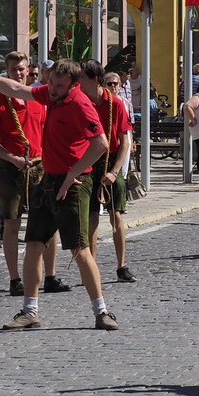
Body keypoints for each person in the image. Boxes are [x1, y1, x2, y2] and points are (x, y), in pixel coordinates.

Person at [0, 60, 116, 331]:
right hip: (48, 181)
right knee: (33, 245)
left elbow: (100, 144)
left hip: (74, 185)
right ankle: (29, 310)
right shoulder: (50, 94)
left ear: (73, 84)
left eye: (59, 85)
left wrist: (72, 174)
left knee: (80, 250)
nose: (52, 89)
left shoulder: (81, 104)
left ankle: (102, 312)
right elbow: (13, 87)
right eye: (51, 83)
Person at [0, 53, 61, 295]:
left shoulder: (39, 99)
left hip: (39, 166)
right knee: (12, 223)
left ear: (29, 71)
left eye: (22, 69)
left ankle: (50, 276)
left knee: (47, 223)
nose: (19, 73)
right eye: (14, 69)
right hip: (9, 168)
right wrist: (10, 158)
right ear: (7, 72)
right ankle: (15, 279)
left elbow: (50, 133)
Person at [82, 62, 135, 282]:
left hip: (110, 160)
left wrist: (114, 171)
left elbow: (124, 141)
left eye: (82, 79)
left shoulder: (116, 104)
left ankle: (121, 266)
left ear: (94, 80)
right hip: (88, 160)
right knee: (91, 217)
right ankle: (91, 266)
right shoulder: (82, 103)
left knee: (116, 215)